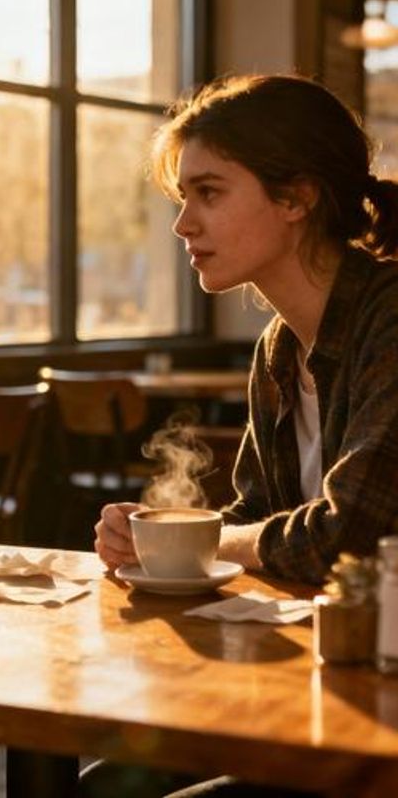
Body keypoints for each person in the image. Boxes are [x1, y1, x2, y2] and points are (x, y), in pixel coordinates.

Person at [91, 73, 398, 797]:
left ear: (296, 198)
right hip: (320, 678)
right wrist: (158, 533)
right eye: (183, 197)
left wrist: (194, 543)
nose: (183, 225)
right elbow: (257, 519)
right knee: (105, 784)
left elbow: (350, 533)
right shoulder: (279, 350)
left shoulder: (390, 319)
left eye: (210, 192)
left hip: (380, 714)